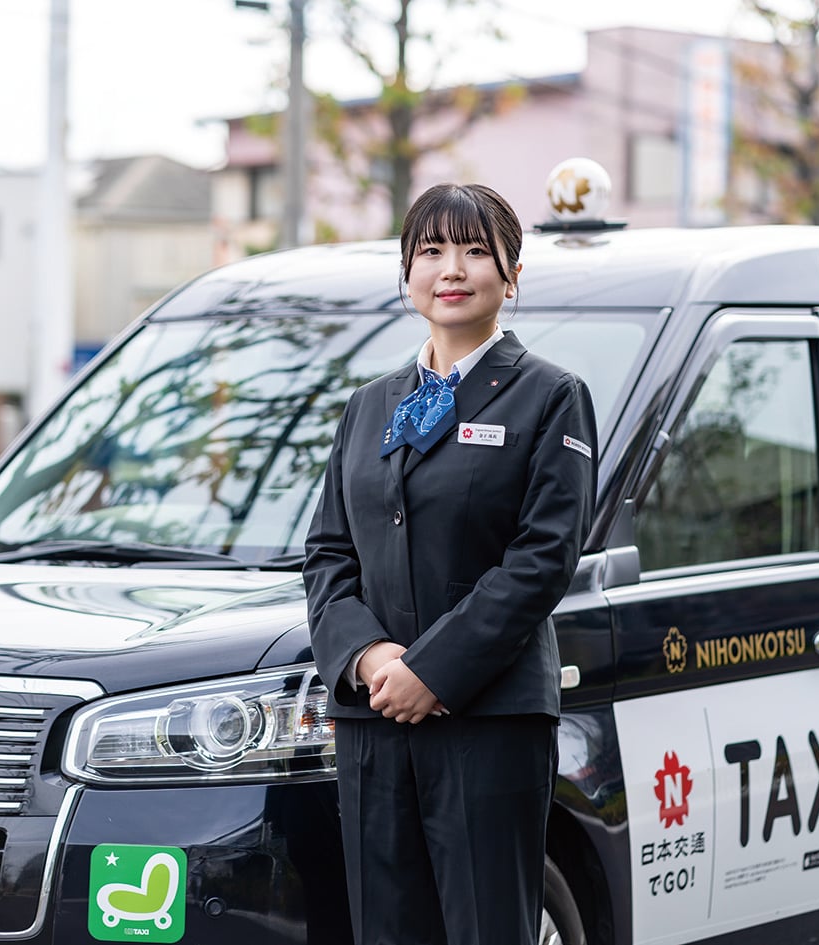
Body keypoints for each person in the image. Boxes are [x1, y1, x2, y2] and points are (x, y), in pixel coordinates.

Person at [303, 182, 598, 945]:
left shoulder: (550, 397)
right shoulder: (370, 404)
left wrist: (431, 669)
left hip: (487, 717)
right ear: (406, 275)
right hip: (373, 718)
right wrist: (369, 658)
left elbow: (542, 558)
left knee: (482, 927)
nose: (451, 268)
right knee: (387, 929)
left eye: (474, 249)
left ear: (511, 273)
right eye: (430, 250)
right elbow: (329, 552)